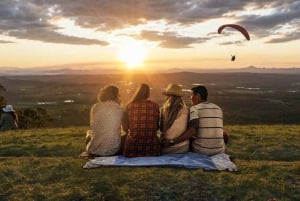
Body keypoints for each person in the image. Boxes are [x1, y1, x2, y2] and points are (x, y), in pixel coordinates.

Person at [162, 85, 227, 156]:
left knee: (189, 136)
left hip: (202, 150)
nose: (190, 98)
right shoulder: (218, 108)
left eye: (191, 95)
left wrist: (172, 141)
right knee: (224, 134)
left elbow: (192, 131)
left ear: (198, 95)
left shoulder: (195, 108)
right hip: (220, 150)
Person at [80, 85, 124, 158]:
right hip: (113, 151)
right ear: (116, 96)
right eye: (119, 95)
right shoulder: (119, 109)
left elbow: (93, 126)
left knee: (89, 133)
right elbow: (124, 128)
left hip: (93, 150)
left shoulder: (95, 107)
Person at [122, 83, 160, 157]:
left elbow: (125, 127)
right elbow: (157, 127)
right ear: (148, 94)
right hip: (153, 149)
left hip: (132, 148)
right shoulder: (155, 106)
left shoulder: (129, 106)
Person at [160, 83, 189, 154]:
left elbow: (161, 128)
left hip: (167, 147)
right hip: (183, 147)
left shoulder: (163, 110)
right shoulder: (187, 110)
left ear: (169, 96)